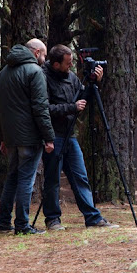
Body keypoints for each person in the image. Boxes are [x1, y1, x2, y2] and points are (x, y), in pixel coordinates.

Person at [41, 44, 118, 230]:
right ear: (56, 64)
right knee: (52, 180)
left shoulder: (72, 78)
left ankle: (92, 218)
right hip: (53, 136)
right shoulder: (42, 78)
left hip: (70, 136)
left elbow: (83, 99)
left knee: (80, 176)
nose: (71, 66)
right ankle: (52, 219)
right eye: (68, 63)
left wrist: (94, 84)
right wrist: (71, 107)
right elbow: (44, 109)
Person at [0, 38, 55, 235]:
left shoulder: (4, 72)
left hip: (11, 136)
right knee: (26, 180)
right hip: (29, 137)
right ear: (36, 52)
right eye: (44, 55)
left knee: (11, 178)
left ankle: (4, 222)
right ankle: (22, 224)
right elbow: (40, 107)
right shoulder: (35, 72)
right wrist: (48, 137)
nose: (45, 60)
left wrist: (3, 137)